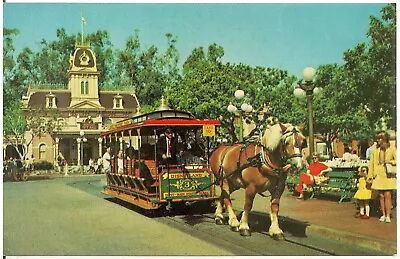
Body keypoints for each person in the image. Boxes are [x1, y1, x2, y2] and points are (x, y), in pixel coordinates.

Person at [368, 131, 396, 223]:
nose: (378, 140)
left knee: (388, 195)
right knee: (381, 195)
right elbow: (371, 164)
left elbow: (397, 160)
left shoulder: (392, 149)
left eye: (380, 138)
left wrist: (391, 162)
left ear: (385, 139)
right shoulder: (375, 150)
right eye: (377, 138)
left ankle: (388, 215)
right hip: (379, 174)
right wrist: (370, 175)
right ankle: (383, 214)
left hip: (387, 174)